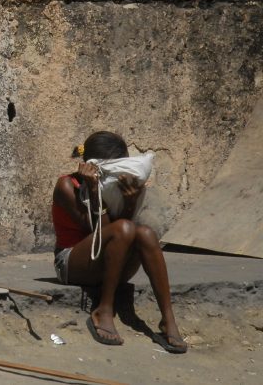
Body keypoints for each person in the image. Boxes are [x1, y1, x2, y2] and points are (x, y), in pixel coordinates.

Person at [51, 131, 187, 353]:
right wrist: (94, 191)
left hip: (111, 261)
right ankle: (104, 309)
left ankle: (168, 319)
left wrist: (130, 202)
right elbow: (100, 234)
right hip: (72, 262)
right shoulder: (67, 186)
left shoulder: (116, 187)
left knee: (145, 233)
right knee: (125, 229)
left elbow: (122, 233)